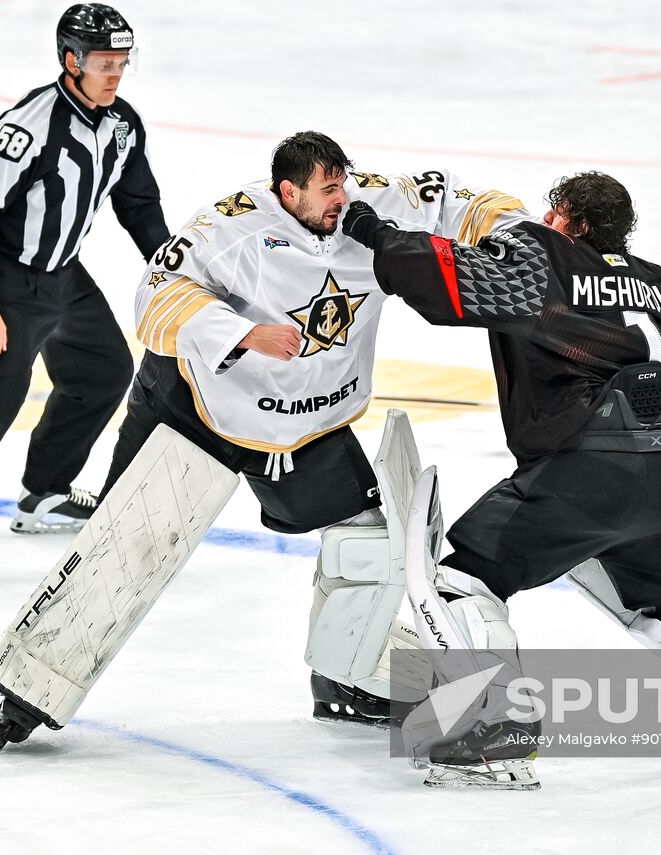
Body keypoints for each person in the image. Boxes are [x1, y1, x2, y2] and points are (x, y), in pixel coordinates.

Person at [345, 172, 661, 789]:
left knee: (461, 579)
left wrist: (370, 230)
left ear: (567, 218)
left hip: (586, 474)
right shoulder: (651, 279)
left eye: (551, 210)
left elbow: (446, 278)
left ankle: (497, 730)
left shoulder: (541, 255)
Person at [104, 131, 531, 723]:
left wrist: (520, 238)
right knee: (118, 545)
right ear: (288, 191)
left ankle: (344, 682)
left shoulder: (366, 204)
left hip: (305, 426)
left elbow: (453, 199)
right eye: (328, 189)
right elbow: (157, 293)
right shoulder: (232, 224)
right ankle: (34, 679)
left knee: (370, 547)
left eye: (344, 183)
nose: (342, 198)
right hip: (198, 407)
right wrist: (245, 333)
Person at [0, 4, 169, 584]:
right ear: (70, 61)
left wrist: (168, 268)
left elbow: (139, 205)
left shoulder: (123, 125)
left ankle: (42, 492)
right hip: (1, 277)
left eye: (123, 61)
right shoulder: (30, 124)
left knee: (102, 372)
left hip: (63, 276)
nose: (115, 73)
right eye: (103, 62)